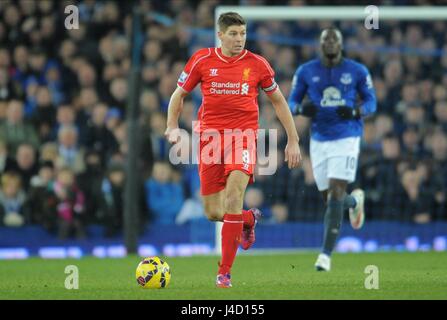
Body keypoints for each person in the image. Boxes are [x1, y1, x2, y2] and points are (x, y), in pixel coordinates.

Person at [165, 12, 301, 288]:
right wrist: (171, 126)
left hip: (243, 138)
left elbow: (278, 101)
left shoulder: (258, 64)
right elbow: (179, 95)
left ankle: (224, 272)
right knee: (215, 212)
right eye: (233, 34)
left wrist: (293, 139)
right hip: (210, 140)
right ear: (220, 35)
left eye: (243, 34)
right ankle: (249, 220)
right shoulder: (202, 60)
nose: (239, 39)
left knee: (234, 195)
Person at [288, 28, 376, 271]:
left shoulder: (357, 71)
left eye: (333, 40)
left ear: (340, 44)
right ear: (320, 44)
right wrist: (301, 109)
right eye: (325, 39)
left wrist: (357, 112)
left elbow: (372, 102)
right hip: (319, 140)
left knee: (336, 193)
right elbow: (291, 102)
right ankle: (354, 203)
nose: (329, 43)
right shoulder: (306, 71)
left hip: (347, 137)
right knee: (331, 200)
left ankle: (325, 255)